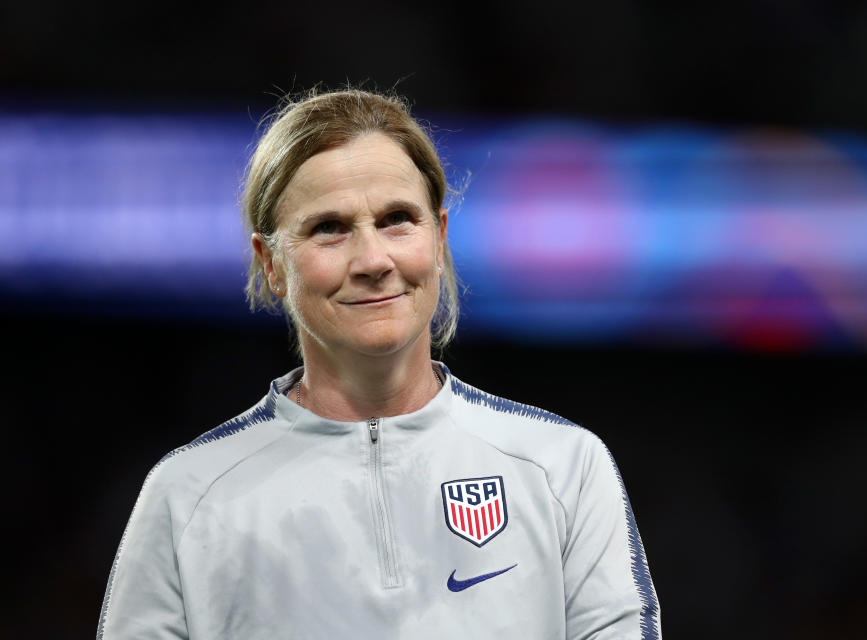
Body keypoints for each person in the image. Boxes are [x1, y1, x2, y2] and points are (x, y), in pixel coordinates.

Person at [97, 88, 661, 639]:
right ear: (271, 263)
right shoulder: (188, 495)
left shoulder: (563, 467)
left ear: (438, 239)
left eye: (397, 219)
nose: (373, 260)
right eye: (329, 228)